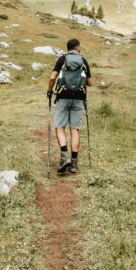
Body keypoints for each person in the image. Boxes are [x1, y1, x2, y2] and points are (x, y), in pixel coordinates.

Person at [47, 38, 92, 174]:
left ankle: (64, 156)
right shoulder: (83, 60)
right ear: (77, 47)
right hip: (79, 98)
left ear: (68, 48)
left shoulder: (62, 59)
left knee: (60, 127)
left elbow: (52, 78)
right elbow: (90, 82)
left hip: (62, 96)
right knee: (75, 129)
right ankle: (74, 164)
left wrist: (50, 90)